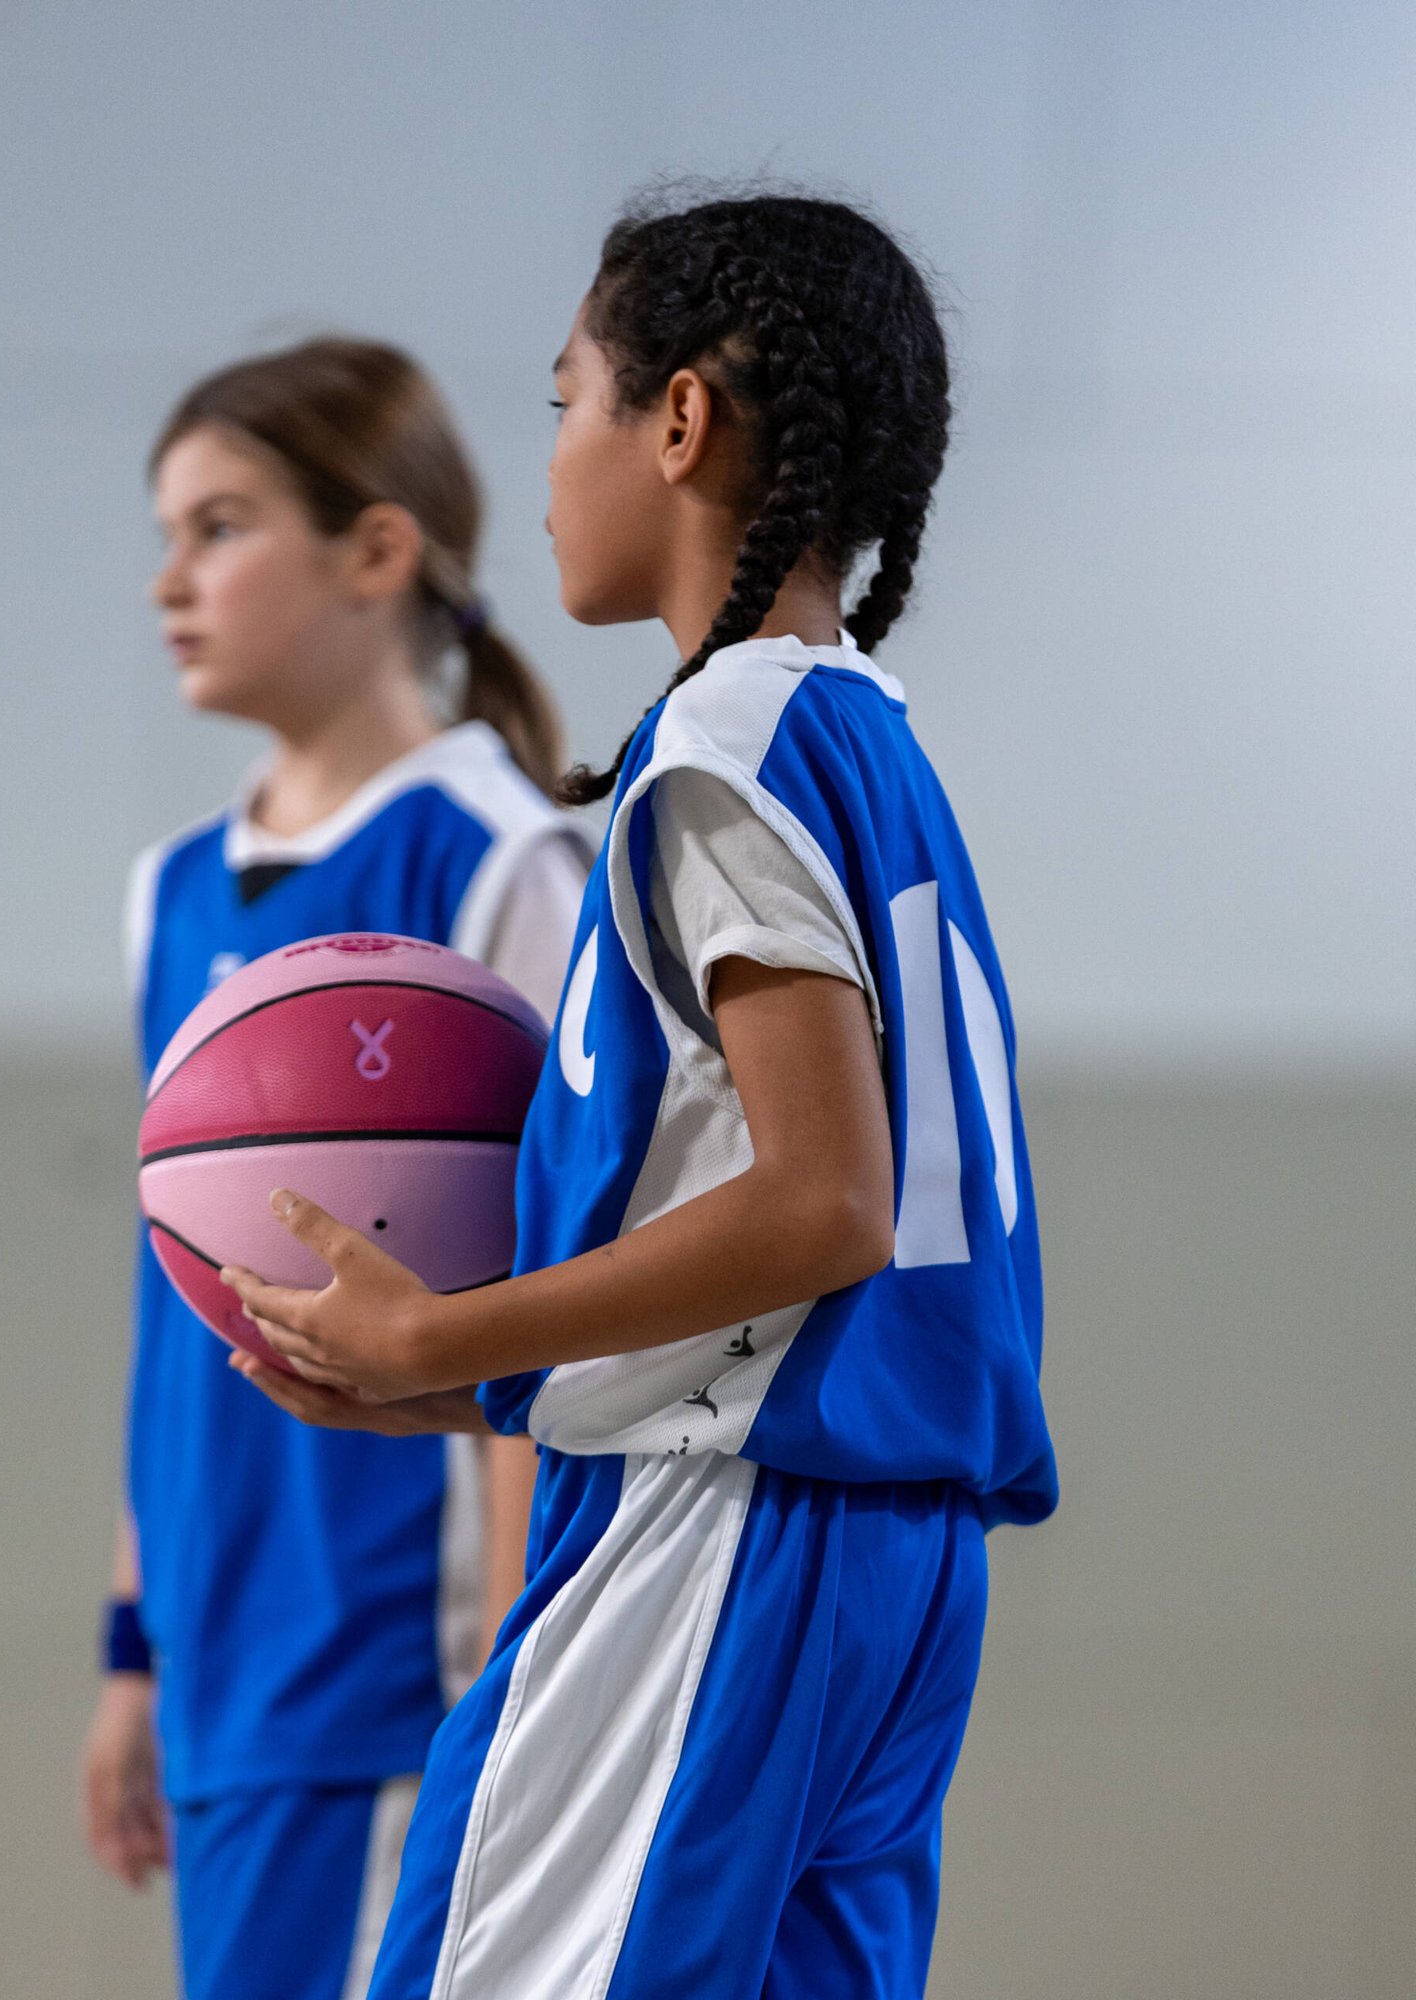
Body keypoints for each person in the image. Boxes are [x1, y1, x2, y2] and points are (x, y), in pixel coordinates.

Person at [225, 193, 1059, 1999]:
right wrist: (480, 1384)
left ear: (678, 421)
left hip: (722, 1534)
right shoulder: (867, 738)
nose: (546, 467)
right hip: (897, 1560)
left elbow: (822, 1205)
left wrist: (448, 1332)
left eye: (564, 403)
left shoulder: (720, 748)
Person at [78, 338, 589, 2000]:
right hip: (220, 1654)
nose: (169, 579)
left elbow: (556, 1305)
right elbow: (171, 1304)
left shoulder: (500, 859)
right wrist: (134, 1650)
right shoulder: (170, 890)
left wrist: (520, 1668)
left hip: (394, 1660)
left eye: (220, 527)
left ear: (375, 551)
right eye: (166, 533)